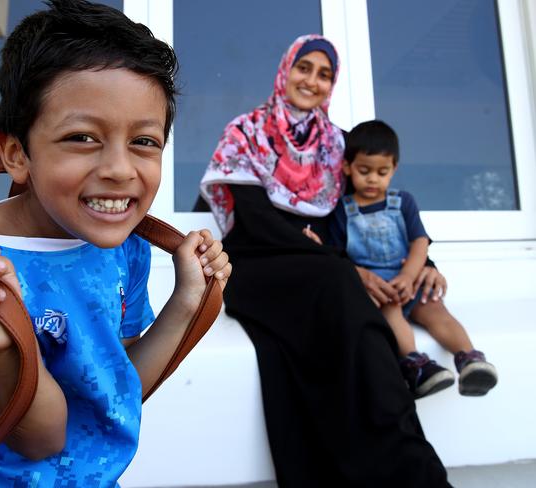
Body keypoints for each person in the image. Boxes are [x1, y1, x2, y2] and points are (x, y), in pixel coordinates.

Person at [0, 1, 231, 486]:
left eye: (144, 141)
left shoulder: (125, 247)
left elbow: (109, 392)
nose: (120, 169)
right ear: (17, 153)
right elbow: (40, 439)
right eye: (82, 137)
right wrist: (12, 352)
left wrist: (187, 302)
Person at [200, 34, 452, 487]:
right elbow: (254, 220)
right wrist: (337, 260)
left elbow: (374, 205)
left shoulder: (337, 145)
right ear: (285, 69)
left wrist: (425, 260)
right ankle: (406, 467)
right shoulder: (245, 132)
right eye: (304, 67)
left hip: (324, 271)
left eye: (325, 74)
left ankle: (402, 460)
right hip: (258, 265)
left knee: (353, 331)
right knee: (339, 289)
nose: (311, 81)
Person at [328, 120, 498, 399]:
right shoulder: (342, 211)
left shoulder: (403, 202)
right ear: (347, 167)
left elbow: (419, 241)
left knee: (435, 310)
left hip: (408, 276)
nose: (373, 179)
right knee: (391, 312)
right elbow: (340, 256)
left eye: (382, 172)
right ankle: (417, 365)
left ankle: (469, 359)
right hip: (377, 287)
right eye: (364, 171)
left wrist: (408, 276)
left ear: (394, 169)